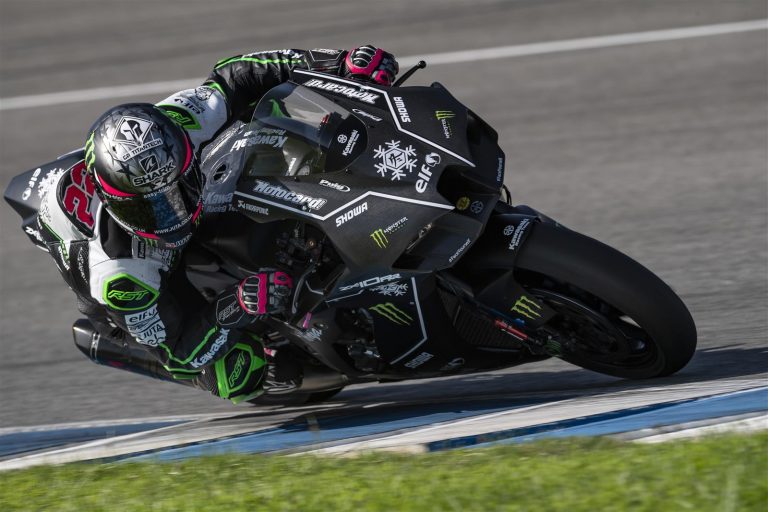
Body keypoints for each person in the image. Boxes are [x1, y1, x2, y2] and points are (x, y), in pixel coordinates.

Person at [36, 46, 399, 403]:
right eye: (151, 209)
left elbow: (236, 74)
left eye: (179, 190)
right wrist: (237, 304)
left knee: (265, 125)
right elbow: (179, 355)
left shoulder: (179, 124)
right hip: (157, 292)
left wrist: (336, 63)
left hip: (186, 185)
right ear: (116, 203)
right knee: (236, 373)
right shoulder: (122, 276)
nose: (172, 213)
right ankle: (284, 354)